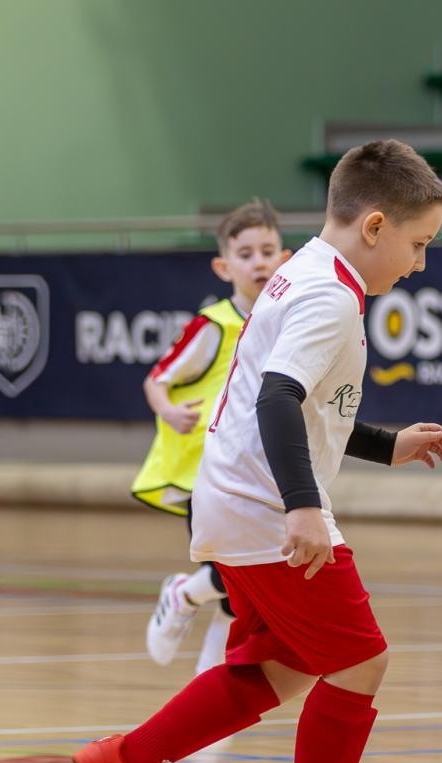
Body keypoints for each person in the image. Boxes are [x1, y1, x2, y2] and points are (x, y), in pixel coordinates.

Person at [75, 140, 442, 763]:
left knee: (281, 667)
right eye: (419, 244)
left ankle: (128, 760)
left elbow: (294, 403)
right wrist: (304, 507)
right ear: (374, 226)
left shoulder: (303, 273)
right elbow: (277, 396)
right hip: (262, 507)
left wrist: (385, 445)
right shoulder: (328, 295)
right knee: (360, 659)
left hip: (236, 499)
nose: (418, 264)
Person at [133, 199, 288, 673]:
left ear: (284, 258)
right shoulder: (213, 326)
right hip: (207, 471)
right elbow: (156, 378)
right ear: (224, 266)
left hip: (260, 469)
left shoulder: (286, 320)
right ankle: (182, 593)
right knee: (232, 569)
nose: (258, 261)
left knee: (242, 592)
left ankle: (211, 684)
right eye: (245, 254)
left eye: (267, 250)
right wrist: (169, 410)